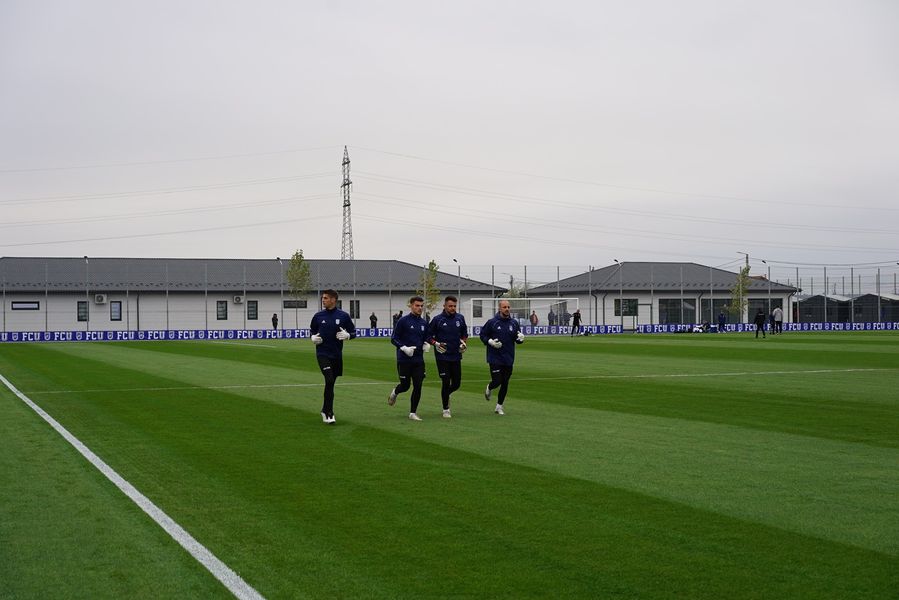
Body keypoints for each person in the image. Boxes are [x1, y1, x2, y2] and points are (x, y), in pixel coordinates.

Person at [310, 289, 356, 424]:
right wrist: (312, 337)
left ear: (333, 300)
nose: (323, 300)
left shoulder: (343, 316)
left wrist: (348, 336)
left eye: (325, 298)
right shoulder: (318, 316)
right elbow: (312, 330)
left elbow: (353, 332)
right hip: (322, 354)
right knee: (329, 380)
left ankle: (324, 409)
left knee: (330, 384)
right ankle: (329, 412)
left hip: (337, 355)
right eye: (322, 298)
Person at [388, 296, 430, 421]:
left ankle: (413, 412)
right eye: (417, 305)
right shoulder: (403, 321)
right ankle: (395, 392)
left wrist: (426, 343)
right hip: (404, 360)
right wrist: (403, 348)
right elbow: (394, 338)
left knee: (418, 385)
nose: (420, 308)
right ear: (411, 306)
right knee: (405, 386)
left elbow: (426, 338)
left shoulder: (424, 323)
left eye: (421, 306)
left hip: (418, 361)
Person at [480, 299, 524, 415]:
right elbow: (482, 334)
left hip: (508, 357)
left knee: (505, 382)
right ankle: (489, 387)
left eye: (508, 307)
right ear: (499, 308)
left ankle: (499, 407)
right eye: (504, 307)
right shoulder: (492, 322)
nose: (507, 309)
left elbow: (517, 337)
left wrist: (520, 339)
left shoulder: (514, 323)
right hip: (495, 357)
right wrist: (490, 342)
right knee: (497, 380)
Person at [428, 295, 469, 418]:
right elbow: (428, 336)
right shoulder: (437, 320)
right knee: (445, 382)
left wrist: (463, 343)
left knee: (456, 384)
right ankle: (446, 409)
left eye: (454, 306)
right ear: (444, 306)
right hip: (442, 356)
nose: (452, 308)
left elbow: (464, 334)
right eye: (450, 306)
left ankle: (446, 394)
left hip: (456, 356)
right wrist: (435, 343)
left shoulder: (460, 318)